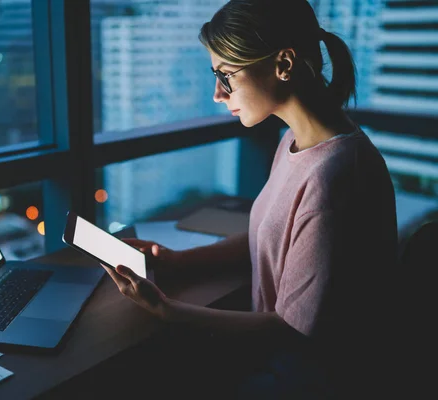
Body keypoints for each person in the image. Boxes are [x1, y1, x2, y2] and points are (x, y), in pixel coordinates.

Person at [101, 0, 399, 398]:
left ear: (284, 64)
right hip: (278, 360)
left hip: (304, 379)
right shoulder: (294, 140)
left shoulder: (336, 176)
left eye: (227, 75)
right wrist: (179, 261)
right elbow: (272, 239)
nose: (217, 94)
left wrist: (164, 309)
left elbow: (289, 330)